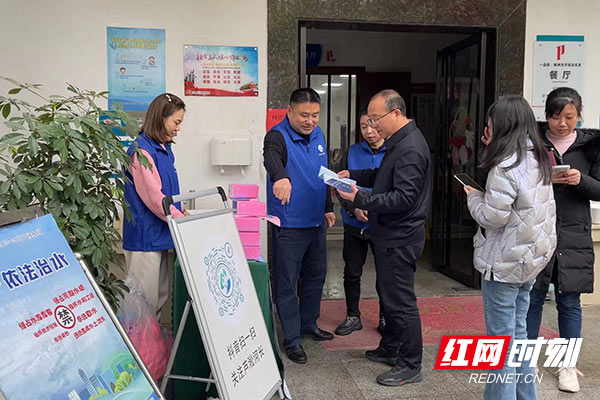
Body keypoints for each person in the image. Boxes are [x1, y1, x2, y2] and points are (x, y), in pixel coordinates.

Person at [337, 89, 431, 386]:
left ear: (396, 114)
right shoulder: (399, 142)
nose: (373, 125)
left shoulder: (411, 148)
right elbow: (383, 175)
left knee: (402, 302)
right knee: (389, 296)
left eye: (377, 119)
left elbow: (403, 198)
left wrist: (360, 197)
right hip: (389, 234)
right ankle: (391, 347)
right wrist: (353, 174)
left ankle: (410, 364)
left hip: (400, 236)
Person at [465, 95, 556, 400]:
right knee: (519, 336)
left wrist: (472, 196)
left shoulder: (504, 165)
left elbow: (493, 217)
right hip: (529, 261)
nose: (486, 130)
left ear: (500, 126)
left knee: (501, 344)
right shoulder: (539, 158)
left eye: (489, 125)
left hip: (505, 264)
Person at [526, 87, 600, 393]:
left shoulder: (591, 147)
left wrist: (581, 181)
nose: (562, 123)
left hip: (573, 234)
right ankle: (525, 360)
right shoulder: (533, 142)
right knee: (532, 298)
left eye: (569, 117)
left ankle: (567, 365)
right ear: (547, 117)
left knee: (569, 301)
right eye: (556, 117)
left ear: (579, 115)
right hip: (537, 230)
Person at [263, 88, 336, 364]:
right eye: (304, 115)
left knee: (316, 276)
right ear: (290, 111)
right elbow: (270, 157)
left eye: (315, 115)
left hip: (316, 220)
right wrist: (280, 176)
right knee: (286, 282)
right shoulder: (277, 136)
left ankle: (309, 324)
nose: (310, 121)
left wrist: (328, 207)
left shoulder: (318, 135)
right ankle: (292, 339)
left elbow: (323, 173)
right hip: (290, 224)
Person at [122, 93, 187, 319]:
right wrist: (180, 219)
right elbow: (153, 197)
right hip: (144, 237)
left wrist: (181, 212)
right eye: (176, 122)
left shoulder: (164, 148)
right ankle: (140, 352)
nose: (178, 128)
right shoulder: (141, 152)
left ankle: (153, 351)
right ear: (160, 118)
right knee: (142, 304)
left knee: (158, 297)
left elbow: (168, 193)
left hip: (159, 234)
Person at [334, 109, 387, 336]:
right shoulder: (352, 152)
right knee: (352, 271)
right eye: (364, 126)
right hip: (354, 223)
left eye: (373, 125)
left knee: (385, 274)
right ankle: (353, 315)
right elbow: (340, 184)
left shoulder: (394, 152)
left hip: (382, 223)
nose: (369, 131)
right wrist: (353, 208)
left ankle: (386, 317)